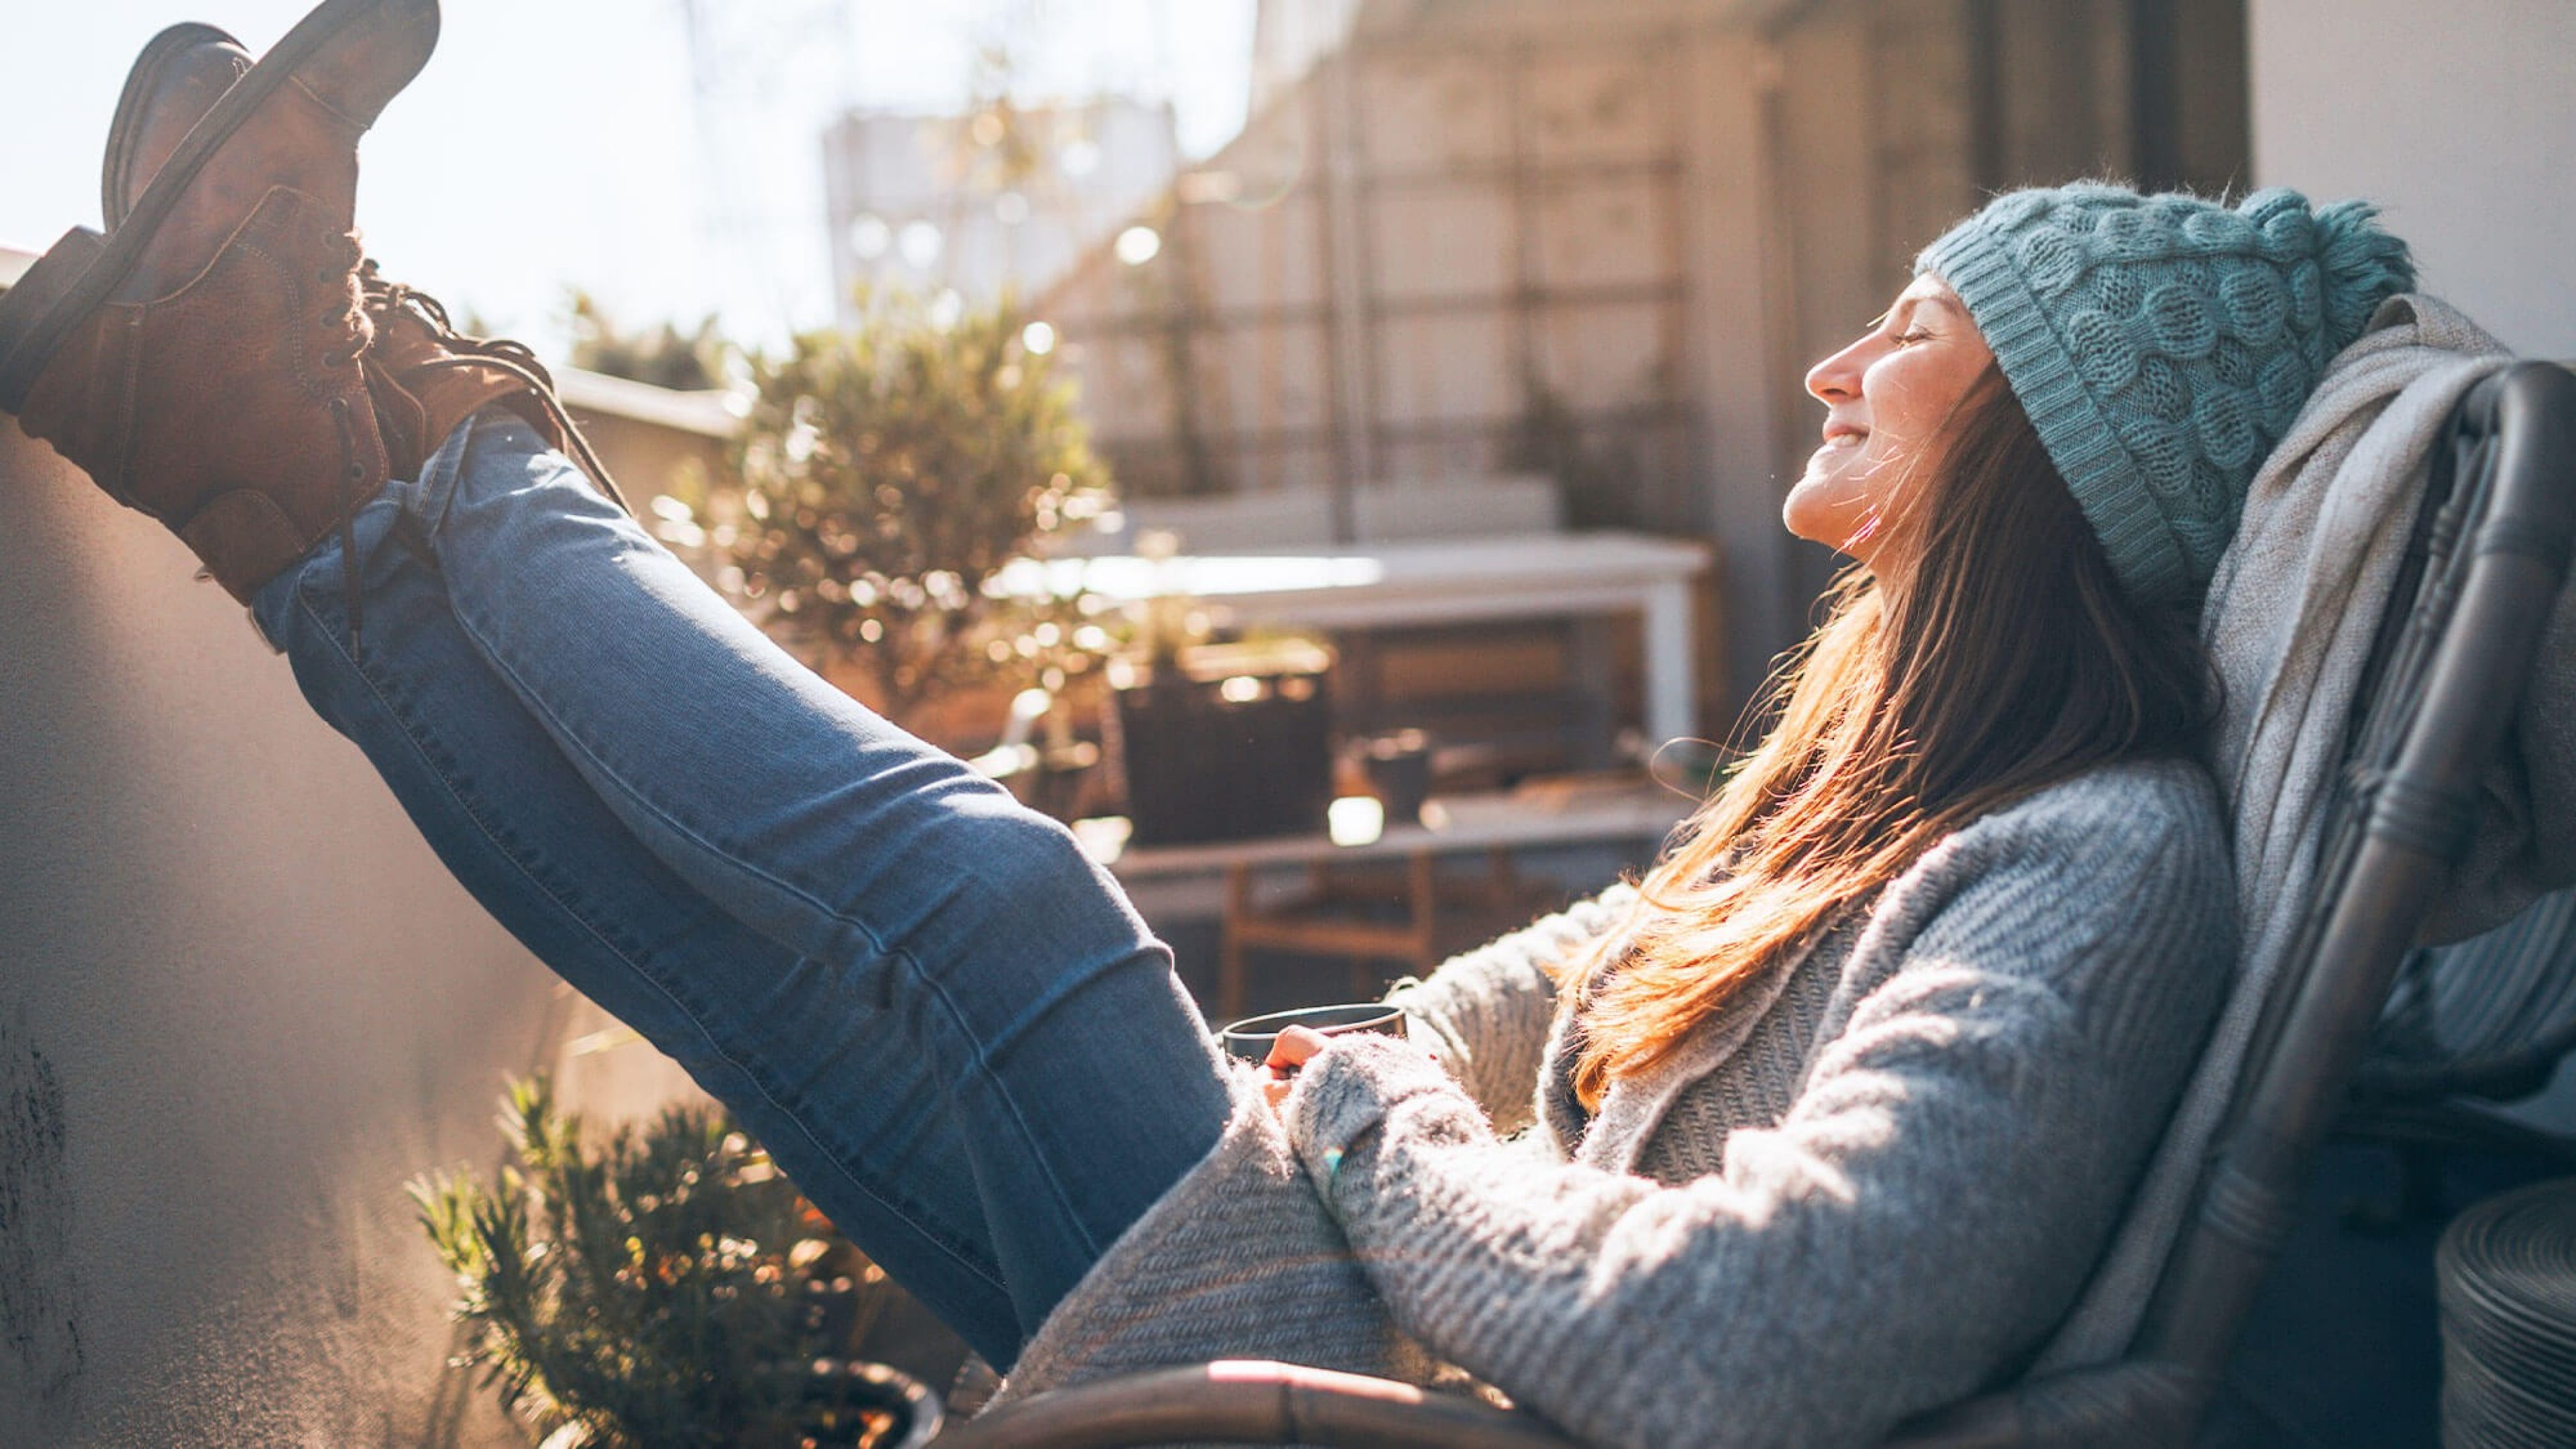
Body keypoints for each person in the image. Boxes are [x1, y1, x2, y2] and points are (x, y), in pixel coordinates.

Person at [0, 4, 2420, 1444]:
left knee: (1000, 887)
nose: (1836, 358)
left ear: (2050, 453)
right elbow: (1578, 978)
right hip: (1390, 1331)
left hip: (1414, 1397)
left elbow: (1760, 1340)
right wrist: (1370, 1044)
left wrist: (1365, 1134)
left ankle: (427, 440)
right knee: (749, 983)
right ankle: (268, 477)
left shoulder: (2105, 866)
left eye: (1915, 330)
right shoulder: (1931, 809)